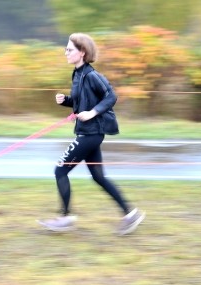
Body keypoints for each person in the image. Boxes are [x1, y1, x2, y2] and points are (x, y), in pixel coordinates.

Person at [38, 33, 145, 235]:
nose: (65, 52)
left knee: (60, 170)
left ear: (82, 52)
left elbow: (111, 96)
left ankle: (65, 217)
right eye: (66, 49)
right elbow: (81, 102)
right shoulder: (77, 74)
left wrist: (93, 113)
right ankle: (131, 214)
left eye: (69, 49)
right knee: (98, 177)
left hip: (91, 133)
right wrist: (66, 101)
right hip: (88, 132)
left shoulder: (92, 75)